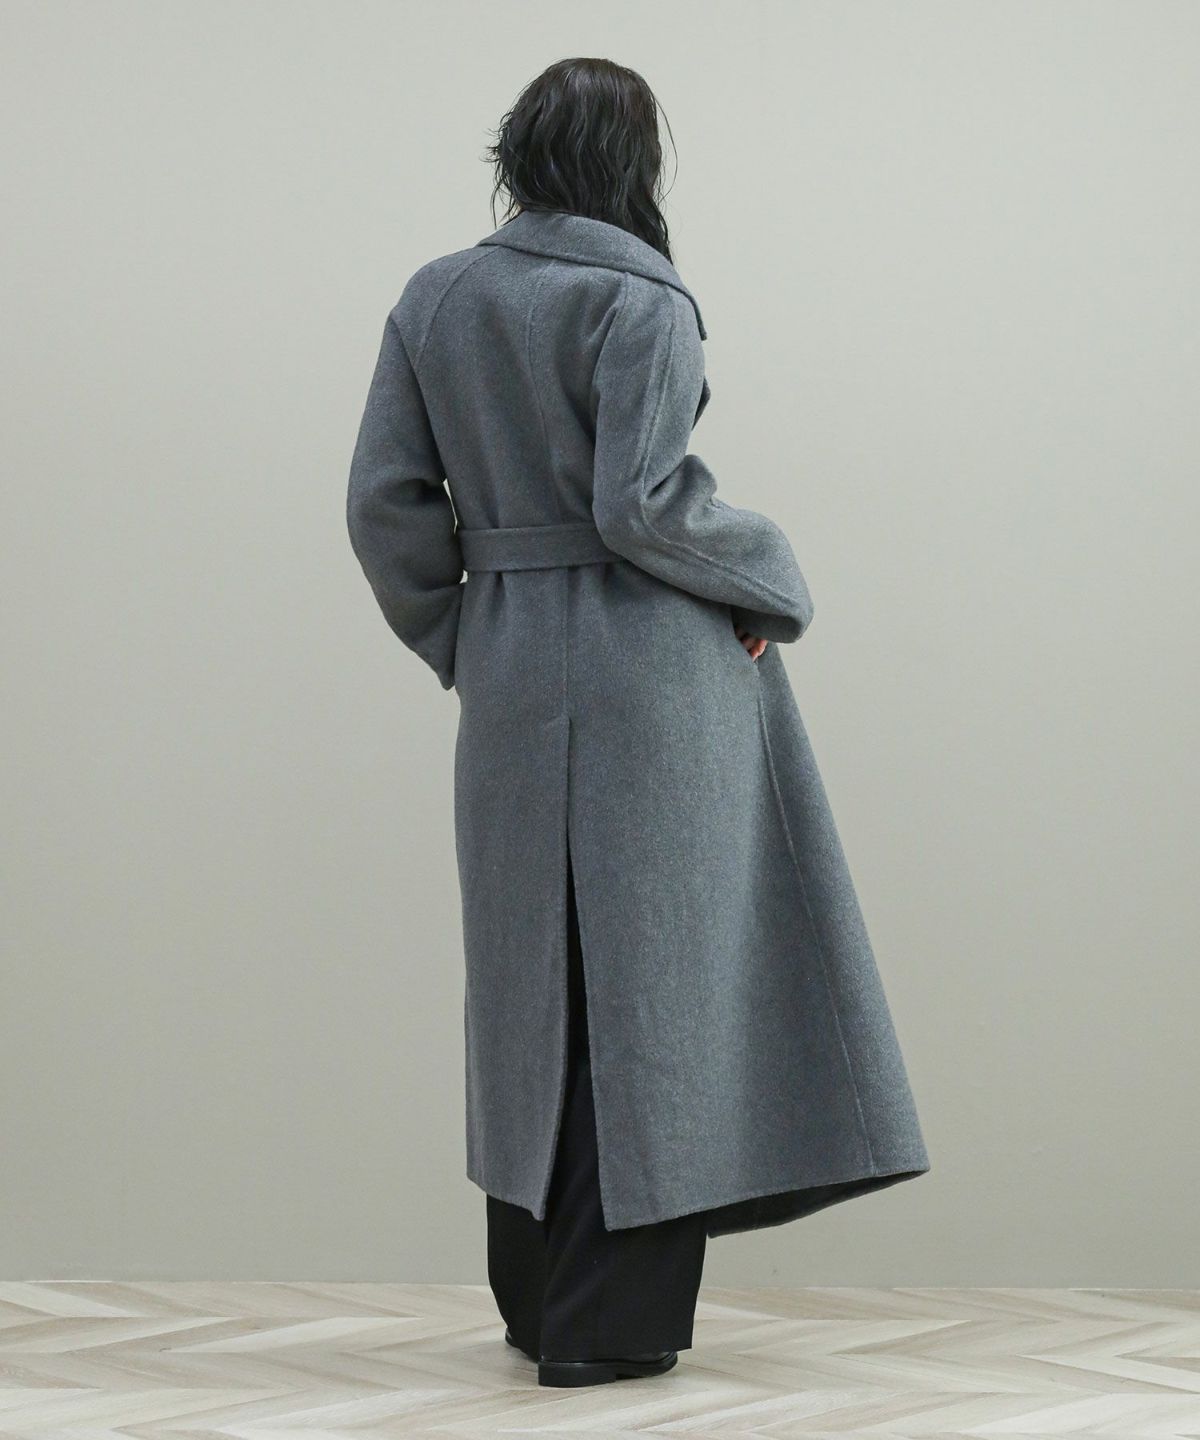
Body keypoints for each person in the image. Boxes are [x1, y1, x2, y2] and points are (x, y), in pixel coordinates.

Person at [346, 57, 931, 1389]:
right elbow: (643, 504)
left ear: (518, 151)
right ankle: (606, 1327)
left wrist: (467, 638)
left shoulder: (436, 296)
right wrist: (772, 577)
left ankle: (540, 1300)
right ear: (634, 163)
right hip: (649, 678)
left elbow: (384, 504)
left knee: (535, 982)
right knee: (656, 987)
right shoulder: (641, 297)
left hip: (513, 667)